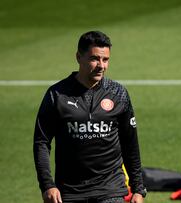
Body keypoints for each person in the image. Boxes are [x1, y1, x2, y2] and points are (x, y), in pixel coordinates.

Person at [33, 31, 146, 203]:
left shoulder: (118, 93)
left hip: (111, 191)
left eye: (105, 60)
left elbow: (130, 143)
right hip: (70, 193)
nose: (101, 65)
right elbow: (41, 142)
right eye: (95, 59)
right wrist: (47, 185)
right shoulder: (57, 95)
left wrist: (138, 188)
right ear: (79, 57)